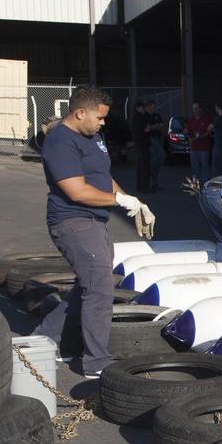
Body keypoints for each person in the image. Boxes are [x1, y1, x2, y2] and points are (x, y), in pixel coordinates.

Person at [33, 85, 145, 377]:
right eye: (100, 117)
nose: (103, 123)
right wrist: (119, 199)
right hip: (73, 221)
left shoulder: (93, 137)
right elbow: (77, 191)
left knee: (89, 285)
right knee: (99, 288)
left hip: (95, 221)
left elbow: (102, 177)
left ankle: (43, 339)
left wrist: (131, 202)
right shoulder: (60, 142)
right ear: (80, 112)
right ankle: (96, 362)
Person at [186, 101, 212, 185]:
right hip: (194, 148)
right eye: (194, 109)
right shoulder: (191, 120)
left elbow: (210, 132)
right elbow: (188, 131)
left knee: (205, 167)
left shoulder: (206, 119)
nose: (195, 110)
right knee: (194, 168)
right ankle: (196, 185)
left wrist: (201, 136)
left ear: (200, 109)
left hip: (204, 148)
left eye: (196, 108)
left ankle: (205, 185)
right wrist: (187, 134)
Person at [130, 100, 150, 194]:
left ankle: (141, 186)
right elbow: (146, 129)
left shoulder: (137, 118)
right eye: (142, 107)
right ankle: (144, 187)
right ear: (138, 108)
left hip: (140, 144)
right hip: (142, 144)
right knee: (143, 166)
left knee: (141, 166)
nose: (143, 109)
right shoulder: (138, 119)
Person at [144, 100, 165, 191]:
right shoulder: (145, 116)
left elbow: (161, 125)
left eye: (154, 107)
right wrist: (155, 126)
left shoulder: (157, 115)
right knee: (159, 155)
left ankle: (154, 184)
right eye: (152, 107)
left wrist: (154, 126)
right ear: (148, 107)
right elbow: (147, 128)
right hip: (150, 139)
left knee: (158, 163)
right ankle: (149, 169)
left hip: (158, 138)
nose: (154, 109)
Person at [210, 101, 222, 177]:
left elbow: (210, 128)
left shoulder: (218, 119)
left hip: (218, 145)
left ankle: (217, 185)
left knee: (216, 168)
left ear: (218, 107)